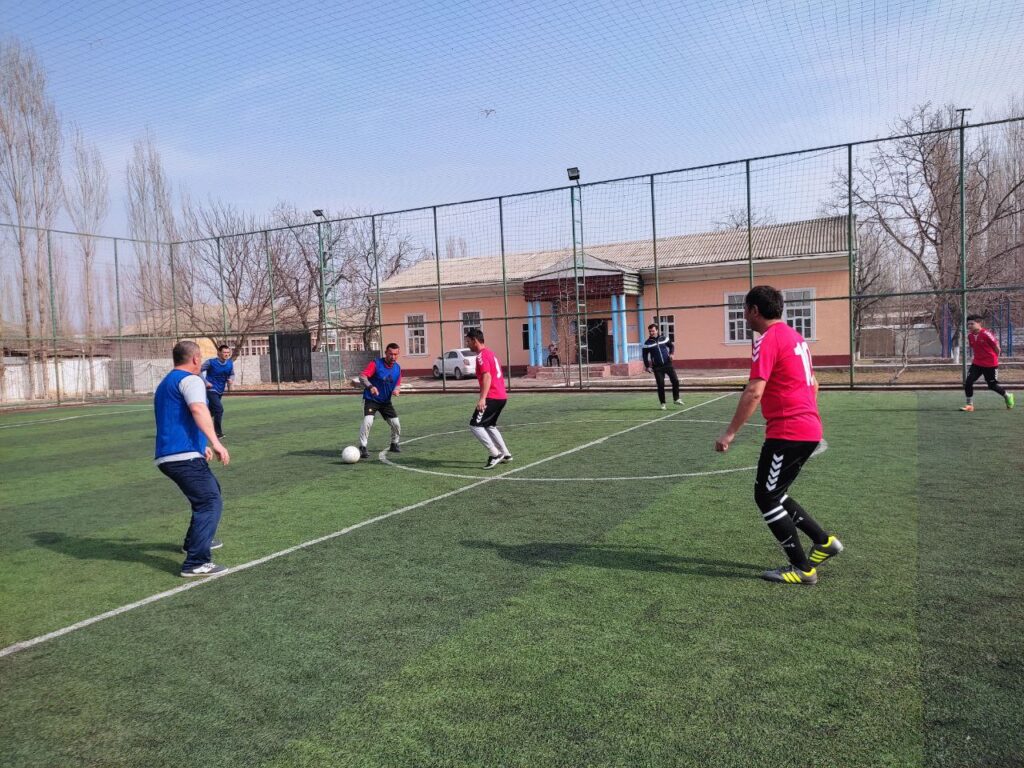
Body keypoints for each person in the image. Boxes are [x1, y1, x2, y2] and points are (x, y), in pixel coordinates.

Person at [714, 285, 842, 586]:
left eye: (743, 310)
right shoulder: (797, 338)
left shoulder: (768, 340)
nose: (743, 316)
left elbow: (754, 391)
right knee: (777, 493)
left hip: (788, 432)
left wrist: (730, 433)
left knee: (766, 496)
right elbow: (814, 384)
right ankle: (824, 542)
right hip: (808, 428)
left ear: (754, 310)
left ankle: (802, 568)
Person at [154, 340, 231, 577]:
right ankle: (196, 561)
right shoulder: (192, 380)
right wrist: (216, 442)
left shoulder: (167, 382)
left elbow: (177, 418)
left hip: (173, 454)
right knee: (209, 501)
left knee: (210, 493)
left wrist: (200, 445)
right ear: (196, 359)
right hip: (181, 456)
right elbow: (198, 409)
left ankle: (194, 542)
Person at [465, 328, 512, 469]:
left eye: (468, 341)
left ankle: (495, 454)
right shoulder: (491, 353)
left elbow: (487, 376)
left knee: (475, 425)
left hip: (492, 396)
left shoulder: (481, 356)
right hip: (501, 396)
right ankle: (505, 454)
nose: (467, 344)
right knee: (489, 425)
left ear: (475, 341)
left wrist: (482, 398)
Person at [357, 342, 403, 459]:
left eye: (395, 354)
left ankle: (394, 444)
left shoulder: (397, 368)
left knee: (396, 424)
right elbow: (362, 376)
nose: (393, 357)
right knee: (368, 421)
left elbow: (397, 383)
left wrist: (396, 390)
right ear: (386, 353)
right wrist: (371, 387)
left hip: (386, 402)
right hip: (371, 399)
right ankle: (362, 447)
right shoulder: (376, 364)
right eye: (390, 354)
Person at [961, 314, 1014, 412]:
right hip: (977, 363)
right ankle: (969, 405)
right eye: (968, 324)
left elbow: (997, 348)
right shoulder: (970, 336)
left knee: (992, 386)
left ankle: (1008, 396)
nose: (969, 326)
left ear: (979, 323)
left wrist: (994, 359)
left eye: (972, 324)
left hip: (990, 364)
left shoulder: (986, 334)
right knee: (968, 382)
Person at [642, 323, 682, 410]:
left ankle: (676, 399)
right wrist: (647, 366)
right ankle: (663, 403)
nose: (651, 333)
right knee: (660, 385)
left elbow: (671, 346)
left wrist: (671, 354)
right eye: (650, 331)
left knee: (675, 381)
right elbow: (644, 356)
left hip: (668, 364)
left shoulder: (664, 339)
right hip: (657, 367)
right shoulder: (647, 343)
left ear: (657, 330)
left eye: (653, 331)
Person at [201, 344, 234, 438]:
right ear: (219, 353)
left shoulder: (230, 363)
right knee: (219, 409)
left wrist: (231, 379)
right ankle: (218, 433)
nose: (226, 354)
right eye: (224, 352)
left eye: (228, 352)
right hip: (211, 389)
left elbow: (232, 374)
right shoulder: (210, 362)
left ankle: (196, 422)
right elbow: (198, 371)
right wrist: (205, 382)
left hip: (220, 390)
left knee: (212, 411)